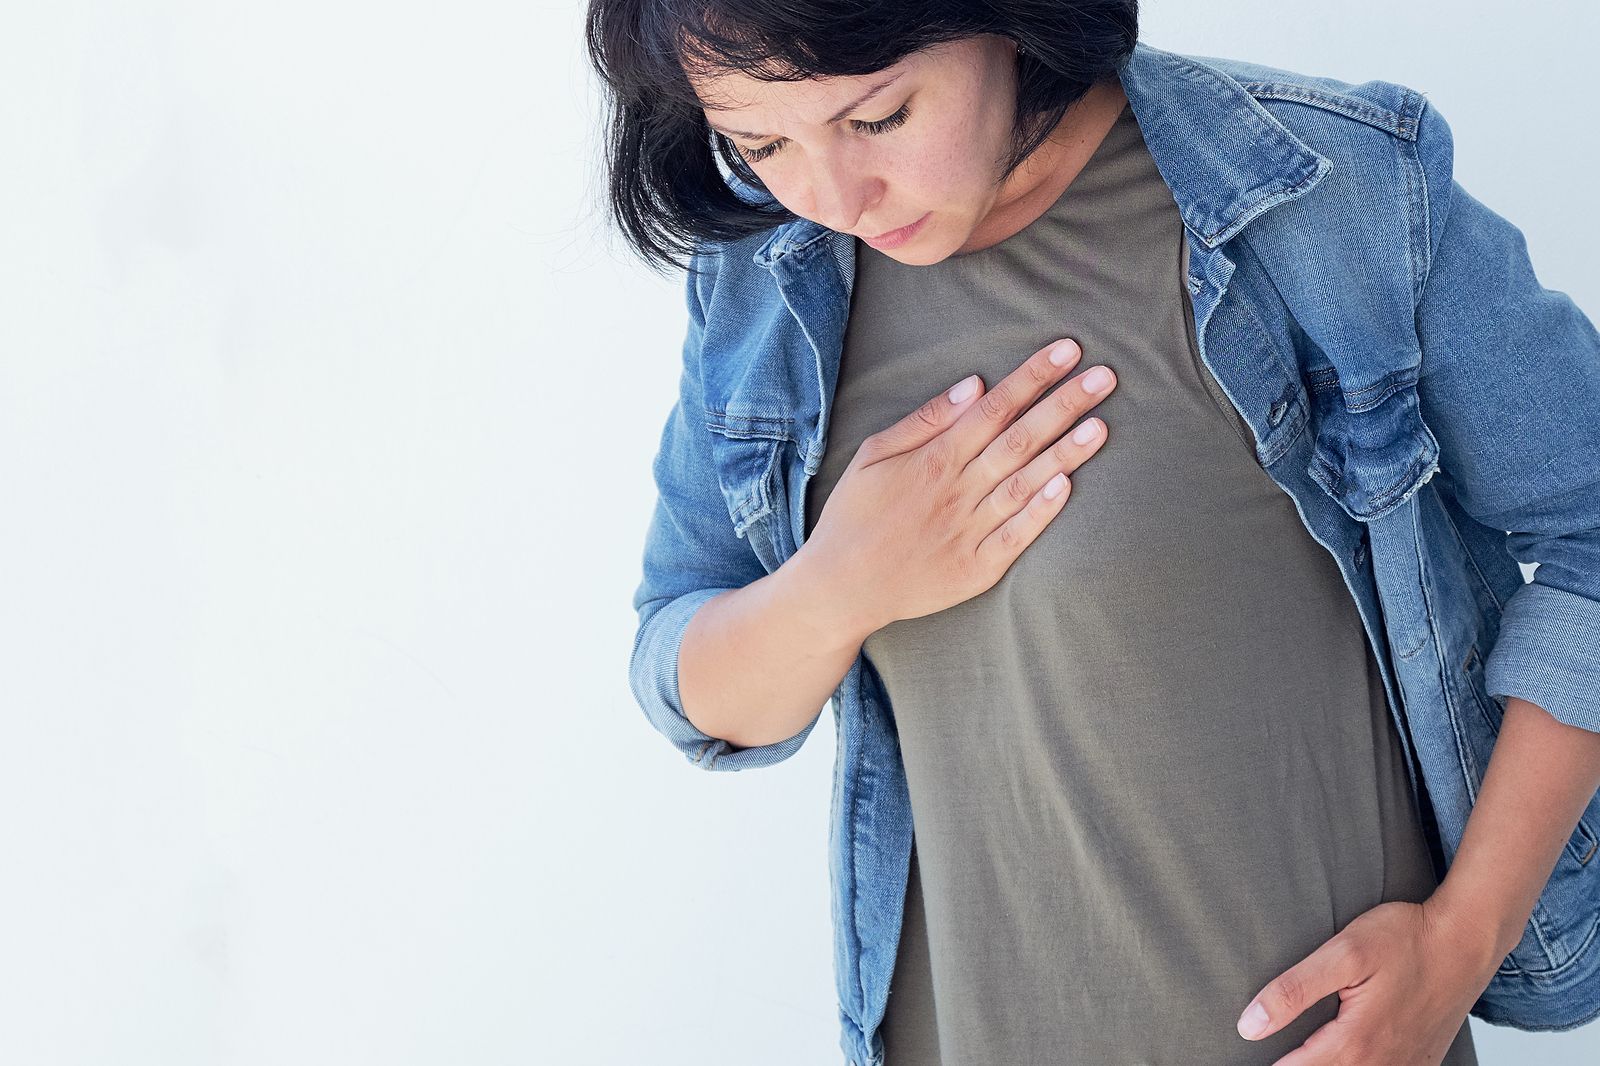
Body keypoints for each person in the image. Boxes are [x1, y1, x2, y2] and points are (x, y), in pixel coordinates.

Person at [588, 2, 1600, 1063]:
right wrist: (843, 584)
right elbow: (686, 674)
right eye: (760, 143)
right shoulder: (761, 283)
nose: (833, 197)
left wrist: (1460, 941)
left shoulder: (1323, 194)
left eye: (879, 119)